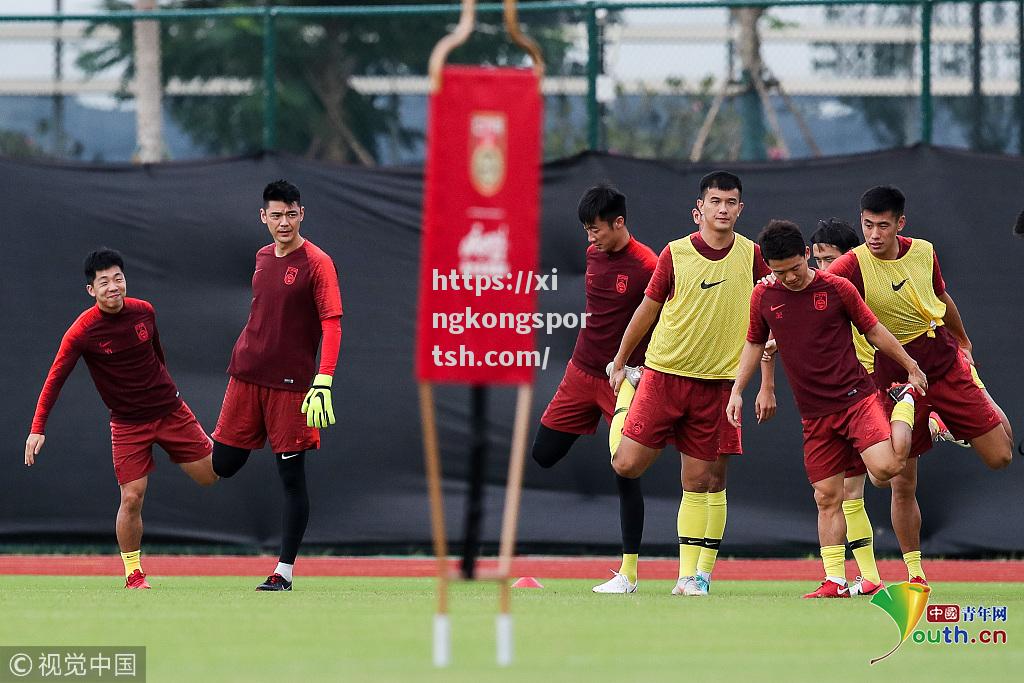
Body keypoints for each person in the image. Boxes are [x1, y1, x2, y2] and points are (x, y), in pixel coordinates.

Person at [727, 220, 926, 598]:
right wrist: (739, 390)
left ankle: (904, 404)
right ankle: (834, 580)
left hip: (856, 399)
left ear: (807, 255)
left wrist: (911, 367)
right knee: (826, 497)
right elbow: (755, 344)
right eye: (778, 271)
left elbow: (875, 330)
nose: (788, 278)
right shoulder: (764, 296)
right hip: (814, 414)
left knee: (885, 471)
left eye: (795, 268)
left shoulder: (836, 287)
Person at [828, 185, 1013, 586]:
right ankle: (915, 574)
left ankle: (946, 418)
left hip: (942, 363)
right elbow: (815, 287)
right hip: (894, 377)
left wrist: (963, 339)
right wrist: (774, 291)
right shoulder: (852, 264)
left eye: (882, 226)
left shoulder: (924, 252)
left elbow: (941, 297)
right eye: (867, 225)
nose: (874, 234)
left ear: (900, 224)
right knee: (897, 480)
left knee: (1002, 455)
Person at [609, 171, 776, 597]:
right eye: (715, 201)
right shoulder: (675, 254)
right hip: (663, 375)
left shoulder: (753, 256)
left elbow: (770, 324)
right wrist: (621, 361)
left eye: (731, 202)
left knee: (699, 482)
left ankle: (689, 578)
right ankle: (630, 391)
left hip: (718, 385)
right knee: (626, 464)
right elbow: (647, 310)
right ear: (698, 209)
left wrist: (765, 382)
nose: (723, 209)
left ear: (741, 209)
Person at [25, 249, 217, 589]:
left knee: (211, 476)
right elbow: (55, 378)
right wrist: (38, 427)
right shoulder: (82, 332)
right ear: (91, 291)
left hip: (171, 411)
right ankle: (134, 573)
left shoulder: (145, 312)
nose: (113, 287)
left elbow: (158, 356)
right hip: (128, 424)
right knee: (131, 497)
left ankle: (193, 447)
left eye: (118, 278)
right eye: (104, 282)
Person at [210, 179, 343, 591]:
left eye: (290, 214)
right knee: (223, 465)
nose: (283, 222)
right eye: (275, 215)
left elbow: (332, 323)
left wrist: (323, 379)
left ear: (301, 214)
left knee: (291, 478)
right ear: (263, 217)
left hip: (291, 387)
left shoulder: (318, 262)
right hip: (246, 375)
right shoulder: (262, 257)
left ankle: (282, 572)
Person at [530, 184, 658, 594]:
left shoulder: (647, 265)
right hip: (579, 374)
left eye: (596, 229)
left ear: (619, 223)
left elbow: (665, 321)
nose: (591, 238)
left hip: (622, 381)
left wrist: (639, 371)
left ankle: (629, 574)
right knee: (543, 455)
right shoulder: (591, 255)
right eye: (586, 230)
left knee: (625, 471)